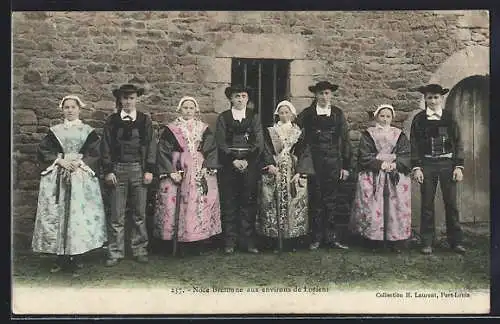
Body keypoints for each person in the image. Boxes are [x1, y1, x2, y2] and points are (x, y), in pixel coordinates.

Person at [32, 95, 107, 277]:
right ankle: (60, 257)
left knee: (78, 215)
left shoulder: (88, 131)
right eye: (66, 107)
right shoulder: (55, 131)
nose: (70, 110)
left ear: (79, 109)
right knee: (58, 214)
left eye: (73, 107)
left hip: (81, 176)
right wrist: (60, 161)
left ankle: (77, 256)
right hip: (59, 175)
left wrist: (80, 163)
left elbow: (96, 152)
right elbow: (44, 150)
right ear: (62, 110)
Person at [154, 96, 222, 255]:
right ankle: (176, 241)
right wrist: (171, 171)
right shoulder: (171, 129)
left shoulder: (203, 128)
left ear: (195, 110)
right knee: (175, 202)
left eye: (191, 108)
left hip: (199, 169)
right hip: (179, 168)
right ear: (179, 110)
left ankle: (197, 241)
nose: (188, 111)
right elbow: (163, 151)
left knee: (199, 203)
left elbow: (211, 149)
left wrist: (207, 167)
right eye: (185, 108)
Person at [100, 84, 157, 266]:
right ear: (120, 100)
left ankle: (139, 249)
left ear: (136, 99)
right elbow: (106, 147)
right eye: (125, 98)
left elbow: (151, 145)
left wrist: (149, 169)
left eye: (131, 98)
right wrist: (108, 170)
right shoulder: (112, 121)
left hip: (138, 170)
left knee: (139, 213)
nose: (128, 101)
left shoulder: (144, 120)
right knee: (117, 214)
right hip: (118, 170)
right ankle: (115, 252)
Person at [296, 81, 353, 250]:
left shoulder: (337, 114)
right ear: (315, 95)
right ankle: (316, 237)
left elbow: (345, 140)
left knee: (332, 200)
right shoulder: (307, 114)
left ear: (331, 95)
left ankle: (332, 237)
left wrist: (346, 166)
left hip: (334, 161)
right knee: (315, 199)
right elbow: (296, 137)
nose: (324, 97)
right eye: (321, 93)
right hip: (314, 162)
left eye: (327, 93)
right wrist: (302, 162)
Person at [410, 84, 466, 255]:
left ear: (441, 99)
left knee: (451, 203)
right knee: (427, 203)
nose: (433, 101)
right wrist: (416, 167)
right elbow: (414, 144)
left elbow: (458, 142)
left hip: (447, 165)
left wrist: (458, 166)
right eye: (429, 98)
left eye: (436, 98)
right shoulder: (419, 119)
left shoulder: (449, 117)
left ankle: (455, 241)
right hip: (427, 165)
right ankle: (427, 241)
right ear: (425, 99)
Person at [349, 104, 412, 253]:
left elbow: (406, 154)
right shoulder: (369, 134)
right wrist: (381, 163)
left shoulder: (399, 134)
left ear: (392, 118)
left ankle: (395, 241)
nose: (385, 119)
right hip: (374, 174)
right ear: (377, 117)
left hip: (394, 174)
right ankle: (373, 241)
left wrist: (395, 164)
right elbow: (364, 155)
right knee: (373, 206)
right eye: (382, 116)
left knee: (395, 206)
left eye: (388, 116)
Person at [257, 100, 315, 252]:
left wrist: (300, 171)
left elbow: (303, 151)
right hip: (275, 170)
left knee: (293, 203)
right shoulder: (271, 131)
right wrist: (270, 164)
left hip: (292, 170)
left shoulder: (299, 132)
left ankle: (292, 241)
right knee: (272, 202)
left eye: (286, 112)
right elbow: (266, 149)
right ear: (277, 114)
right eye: (281, 113)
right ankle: (275, 240)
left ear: (292, 114)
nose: (284, 115)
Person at [215, 84, 265, 254]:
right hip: (229, 165)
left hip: (249, 165)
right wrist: (233, 160)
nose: (240, 99)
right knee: (229, 202)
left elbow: (259, 142)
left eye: (243, 96)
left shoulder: (254, 117)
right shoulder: (223, 117)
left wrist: (247, 160)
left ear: (247, 99)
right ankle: (230, 242)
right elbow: (220, 142)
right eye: (237, 96)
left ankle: (248, 242)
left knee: (248, 202)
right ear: (230, 99)